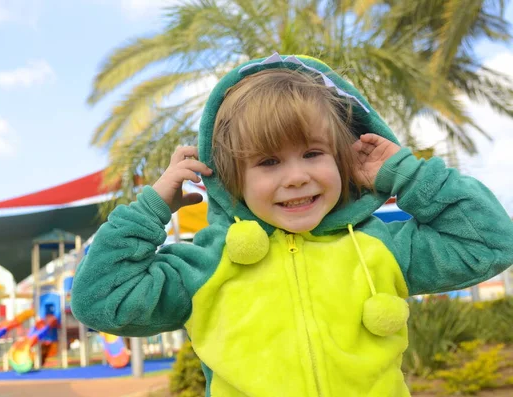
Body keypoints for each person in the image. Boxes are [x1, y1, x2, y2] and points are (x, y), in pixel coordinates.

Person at [71, 53, 513, 396]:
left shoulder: (383, 246)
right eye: (268, 161)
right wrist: (151, 209)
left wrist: (410, 175)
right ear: (231, 179)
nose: (297, 176)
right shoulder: (205, 265)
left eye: (313, 153)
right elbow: (100, 300)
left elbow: (490, 242)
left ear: (342, 158)